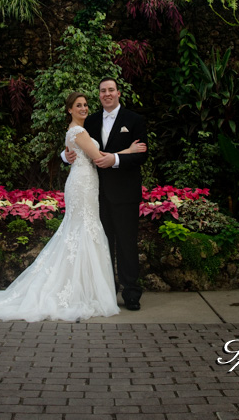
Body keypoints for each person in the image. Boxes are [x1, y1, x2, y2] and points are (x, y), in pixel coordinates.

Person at [0, 91, 146, 322]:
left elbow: (77, 149)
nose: (84, 108)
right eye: (78, 105)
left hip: (90, 184)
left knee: (84, 232)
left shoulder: (87, 126)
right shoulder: (78, 129)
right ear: (69, 109)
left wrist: (68, 153)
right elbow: (97, 155)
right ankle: (81, 290)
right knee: (80, 231)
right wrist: (128, 151)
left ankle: (88, 288)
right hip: (82, 185)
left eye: (85, 105)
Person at [65, 77, 148, 311]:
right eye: (103, 91)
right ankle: (105, 291)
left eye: (111, 90)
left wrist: (119, 158)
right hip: (95, 193)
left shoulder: (134, 120)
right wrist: (65, 156)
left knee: (126, 243)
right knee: (100, 242)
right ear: (99, 95)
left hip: (124, 192)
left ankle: (131, 292)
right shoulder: (88, 121)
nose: (107, 94)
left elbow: (142, 154)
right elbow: (77, 146)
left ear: (118, 93)